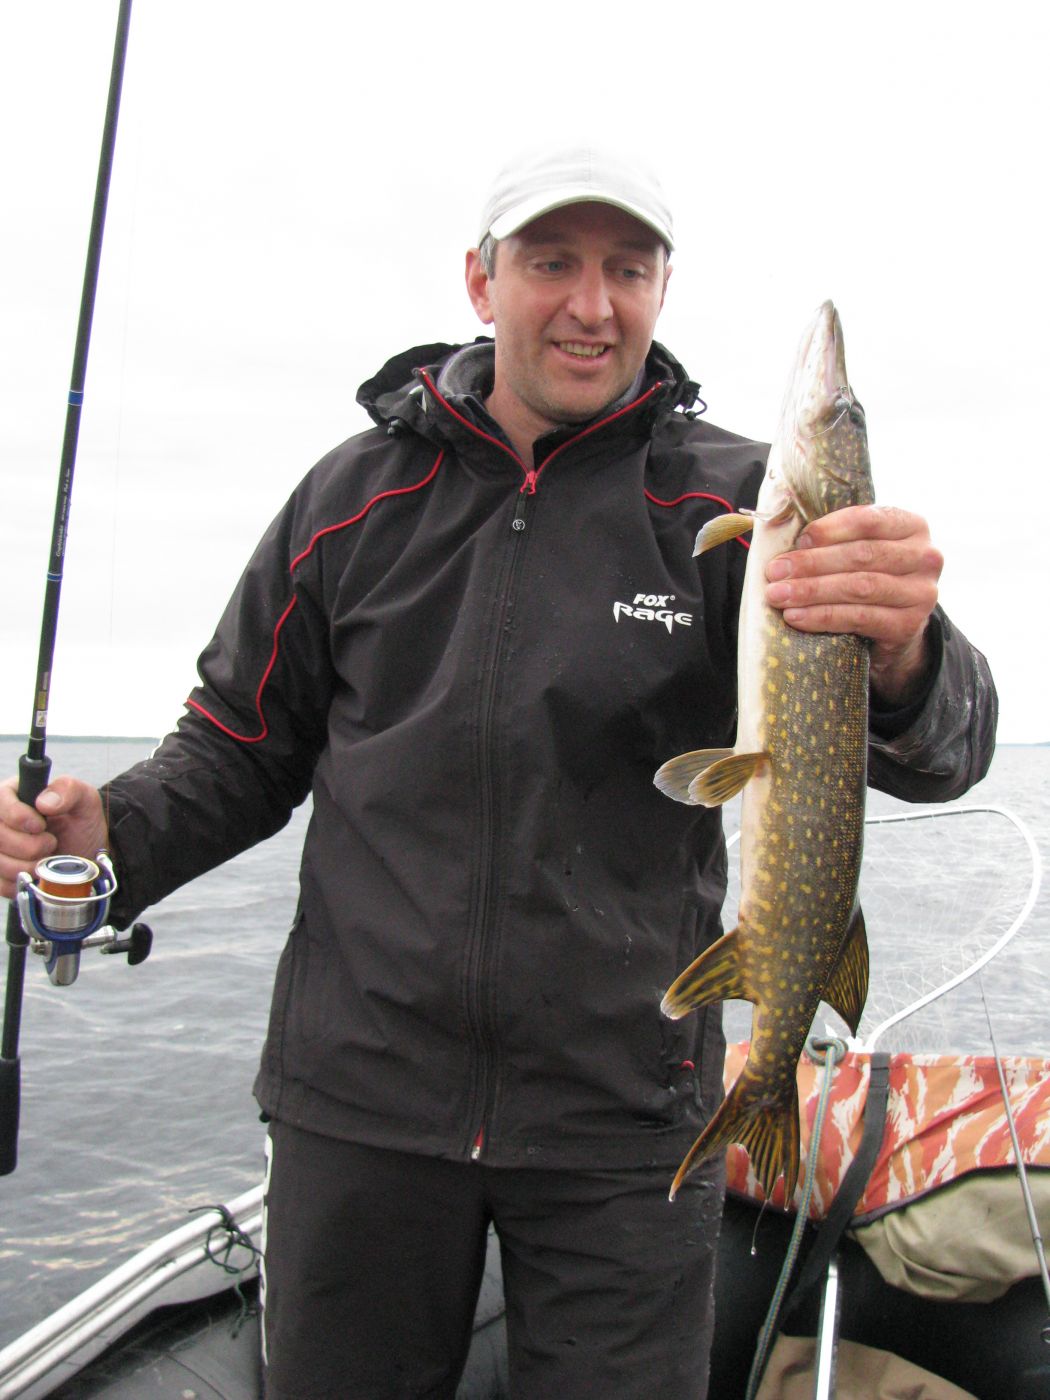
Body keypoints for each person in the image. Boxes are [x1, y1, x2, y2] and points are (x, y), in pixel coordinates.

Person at [0, 147, 996, 1399]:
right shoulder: (351, 499)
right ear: (481, 282)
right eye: (552, 263)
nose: (593, 304)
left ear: (663, 289)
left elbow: (945, 748)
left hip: (625, 1121)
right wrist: (110, 830)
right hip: (361, 1103)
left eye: (627, 270)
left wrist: (906, 652)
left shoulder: (736, 506)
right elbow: (238, 745)